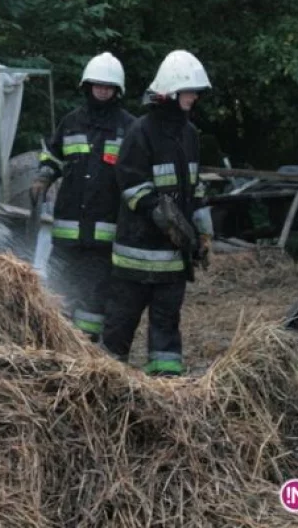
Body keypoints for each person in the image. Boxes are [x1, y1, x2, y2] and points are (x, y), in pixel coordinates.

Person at [101, 50, 214, 376]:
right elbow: (131, 183)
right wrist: (161, 215)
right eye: (189, 91)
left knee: (167, 326)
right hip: (135, 257)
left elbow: (195, 189)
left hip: (172, 260)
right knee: (119, 325)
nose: (194, 98)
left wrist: (203, 232)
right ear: (171, 92)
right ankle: (106, 382)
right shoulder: (141, 132)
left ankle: (167, 385)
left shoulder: (189, 135)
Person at [32, 52, 135, 341]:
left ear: (117, 90)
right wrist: (43, 175)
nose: (102, 90)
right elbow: (52, 155)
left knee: (94, 296)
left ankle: (86, 350)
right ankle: (56, 341)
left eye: (108, 86)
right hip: (66, 233)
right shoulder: (71, 122)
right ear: (87, 87)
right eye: (97, 85)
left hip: (105, 235)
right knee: (57, 289)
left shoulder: (129, 128)